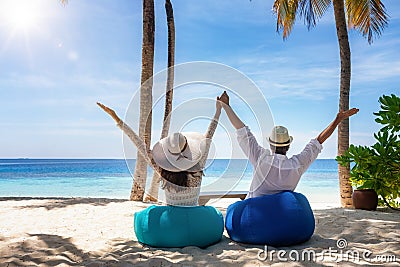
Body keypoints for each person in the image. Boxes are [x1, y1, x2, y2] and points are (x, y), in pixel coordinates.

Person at [218, 91, 359, 199]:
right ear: (288, 146)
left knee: (235, 208)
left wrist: (226, 106)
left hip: (257, 216)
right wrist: (337, 119)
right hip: (281, 216)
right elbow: (318, 140)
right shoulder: (297, 164)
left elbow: (242, 130)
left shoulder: (261, 158)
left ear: (271, 145)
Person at [151, 95, 223, 206]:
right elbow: (209, 135)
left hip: (171, 219)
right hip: (193, 216)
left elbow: (143, 148)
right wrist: (218, 110)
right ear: (188, 147)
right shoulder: (197, 169)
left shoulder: (163, 171)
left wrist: (118, 121)